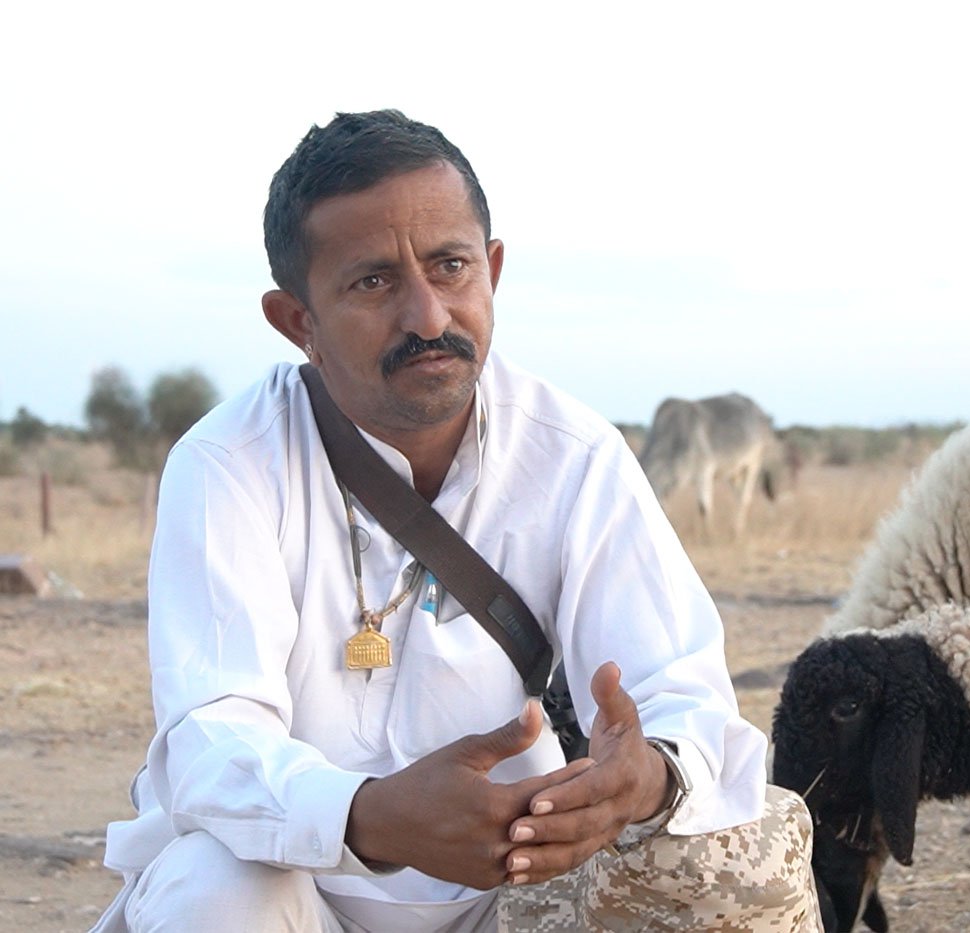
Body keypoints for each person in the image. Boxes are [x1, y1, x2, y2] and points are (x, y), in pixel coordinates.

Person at [94, 109, 819, 931]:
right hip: (299, 885)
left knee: (731, 855)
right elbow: (210, 739)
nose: (429, 316)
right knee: (217, 891)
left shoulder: (575, 455)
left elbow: (681, 694)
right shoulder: (229, 462)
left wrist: (643, 775)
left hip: (516, 884)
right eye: (373, 282)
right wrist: (368, 814)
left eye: (449, 267)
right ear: (299, 321)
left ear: (493, 270)